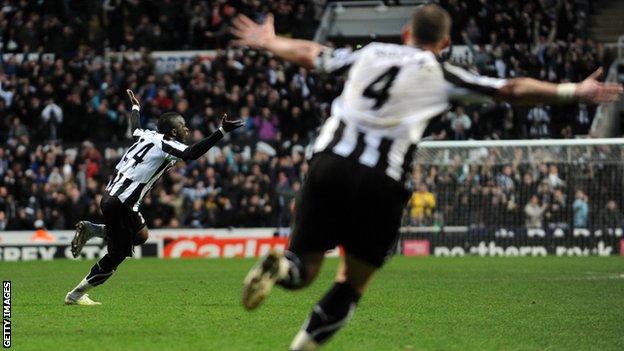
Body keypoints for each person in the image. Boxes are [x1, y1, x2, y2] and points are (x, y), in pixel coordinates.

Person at [231, 4, 622, 350]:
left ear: (406, 34)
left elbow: (311, 53)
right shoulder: (441, 71)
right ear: (445, 42)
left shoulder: (369, 54)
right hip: (382, 179)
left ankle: (280, 268)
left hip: (328, 163)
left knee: (303, 269)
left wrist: (269, 41)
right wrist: (574, 90)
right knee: (351, 281)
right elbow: (511, 89)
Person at [65, 90, 243, 305]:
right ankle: (75, 295)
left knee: (141, 236)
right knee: (116, 256)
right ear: (173, 132)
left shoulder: (145, 134)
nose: (186, 129)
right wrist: (221, 131)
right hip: (124, 204)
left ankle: (94, 230)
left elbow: (135, 127)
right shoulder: (167, 144)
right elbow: (191, 154)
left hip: (111, 197)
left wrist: (135, 107)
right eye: (182, 126)